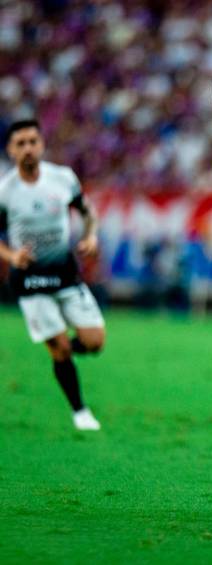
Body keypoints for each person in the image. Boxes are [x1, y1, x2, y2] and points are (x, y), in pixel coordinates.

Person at [0, 119, 105, 431]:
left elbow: (88, 213)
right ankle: (80, 411)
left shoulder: (62, 178)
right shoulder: (5, 191)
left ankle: (60, 352)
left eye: (33, 141)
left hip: (65, 273)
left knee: (95, 342)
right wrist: (11, 255)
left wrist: (91, 237)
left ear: (42, 144)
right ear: (10, 150)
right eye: (21, 144)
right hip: (29, 281)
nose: (28, 149)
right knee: (59, 346)